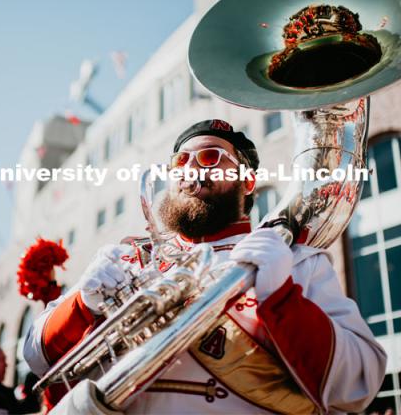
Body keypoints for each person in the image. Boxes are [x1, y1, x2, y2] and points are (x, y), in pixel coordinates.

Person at [24, 119, 387, 414]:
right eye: (180, 161)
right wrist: (82, 305)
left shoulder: (292, 260)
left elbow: (360, 384)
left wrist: (281, 298)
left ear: (246, 181)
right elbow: (37, 358)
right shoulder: (125, 260)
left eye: (211, 158)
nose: (192, 169)